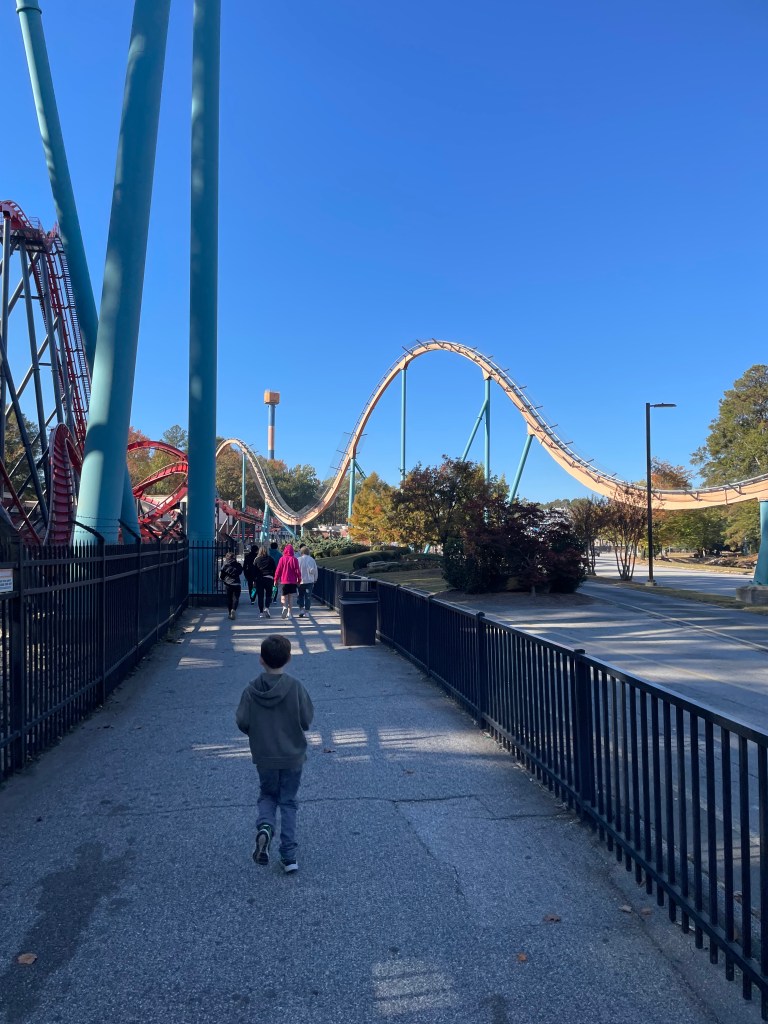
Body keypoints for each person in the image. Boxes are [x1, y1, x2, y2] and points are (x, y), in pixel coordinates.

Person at [235, 634, 314, 873]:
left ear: (261, 660)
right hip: (292, 756)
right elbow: (306, 719)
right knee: (288, 802)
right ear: (289, 658)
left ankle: (266, 827)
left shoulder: (251, 691)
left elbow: (242, 721)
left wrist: (257, 733)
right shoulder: (295, 687)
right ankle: (289, 856)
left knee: (268, 795)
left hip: (265, 756)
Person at [273, 543, 301, 619]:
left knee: (283, 596)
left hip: (283, 581)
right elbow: (297, 571)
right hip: (292, 581)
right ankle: (290, 614)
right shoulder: (294, 559)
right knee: (290, 597)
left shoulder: (282, 559)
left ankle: (284, 607)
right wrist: (299, 580)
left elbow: (278, 570)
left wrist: (275, 579)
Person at [219, 551, 243, 620]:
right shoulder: (238, 565)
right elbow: (240, 572)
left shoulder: (225, 565)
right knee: (236, 598)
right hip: (237, 584)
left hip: (228, 584)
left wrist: (223, 579)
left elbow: (221, 575)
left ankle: (229, 612)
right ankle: (234, 610)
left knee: (229, 599)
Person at [253, 544, 276, 617]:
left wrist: (254, 580)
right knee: (268, 595)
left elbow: (254, 570)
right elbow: (274, 569)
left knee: (260, 596)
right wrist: (274, 577)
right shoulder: (271, 559)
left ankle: (261, 612)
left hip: (259, 579)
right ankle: (266, 608)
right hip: (269, 578)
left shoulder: (257, 559)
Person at [297, 544, 318, 617]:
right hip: (309, 581)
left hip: (300, 581)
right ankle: (307, 611)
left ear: (301, 552)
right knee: (308, 597)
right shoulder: (312, 560)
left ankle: (301, 609)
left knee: (300, 595)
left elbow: (296, 570)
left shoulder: (298, 559)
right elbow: (315, 570)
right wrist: (315, 579)